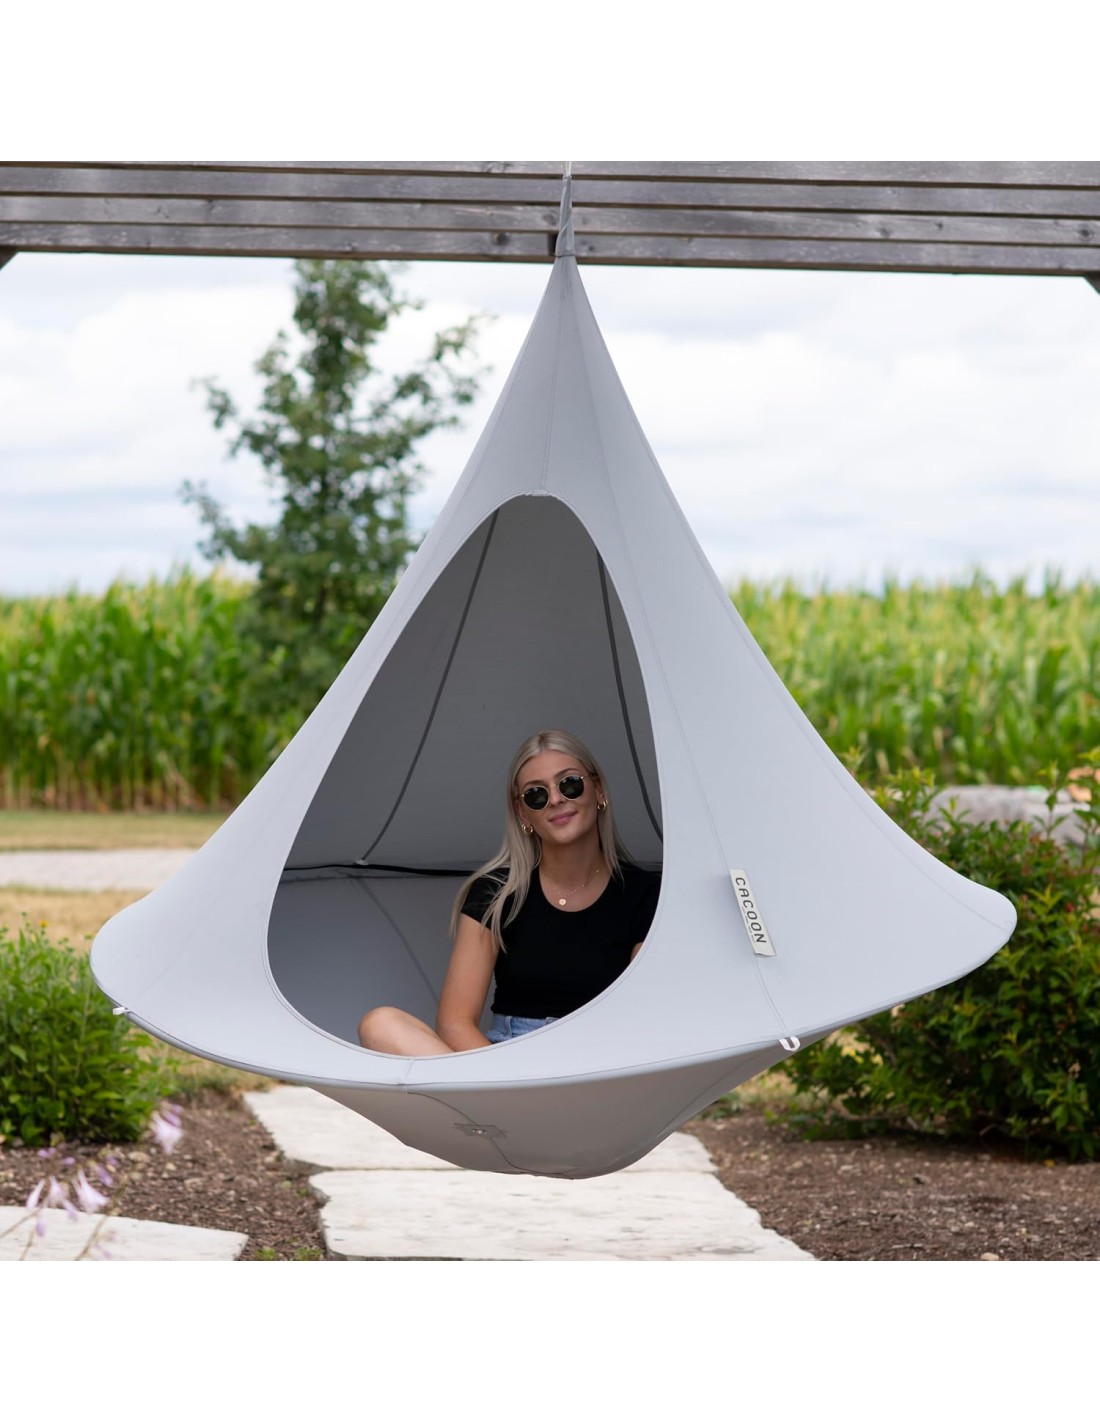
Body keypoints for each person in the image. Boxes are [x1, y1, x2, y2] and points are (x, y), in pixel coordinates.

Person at [357, 729, 661, 1055]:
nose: (556, 799)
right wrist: (509, 1074)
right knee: (380, 1024)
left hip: (600, 1060)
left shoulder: (646, 894)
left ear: (598, 789)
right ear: (522, 813)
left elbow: (641, 1014)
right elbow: (455, 1023)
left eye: (570, 783)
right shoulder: (496, 893)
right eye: (536, 795)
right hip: (505, 1060)